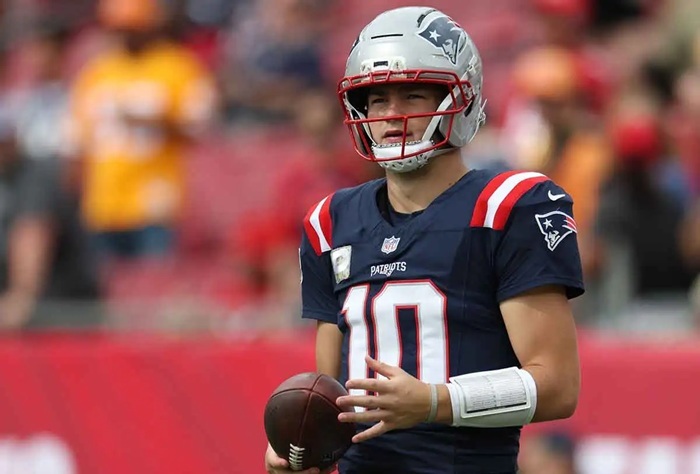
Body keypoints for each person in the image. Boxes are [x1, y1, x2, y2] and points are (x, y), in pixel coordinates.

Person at [265, 6, 583, 474]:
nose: (393, 116)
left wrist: (435, 401)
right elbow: (331, 397)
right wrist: (303, 449)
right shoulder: (330, 222)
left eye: (413, 96)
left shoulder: (506, 207)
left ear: (461, 98)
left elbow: (557, 386)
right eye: (377, 100)